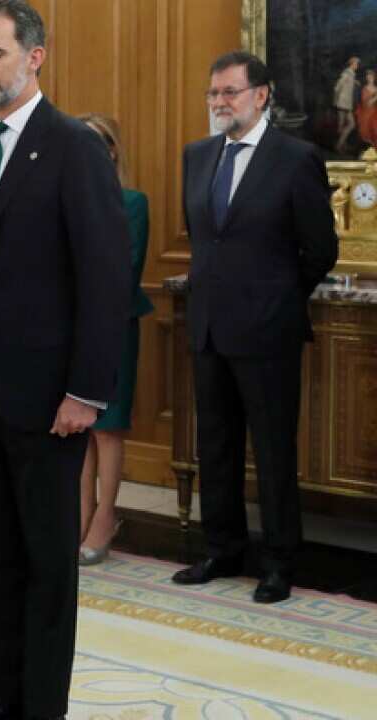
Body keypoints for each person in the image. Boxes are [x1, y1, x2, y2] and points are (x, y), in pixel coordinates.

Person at [0, 1, 131, 717]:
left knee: (48, 568)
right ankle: (1, 699)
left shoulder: (73, 147)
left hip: (52, 403)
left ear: (34, 57)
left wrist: (86, 389)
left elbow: (106, 279)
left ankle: (40, 707)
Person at [173, 50, 338, 604]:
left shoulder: (295, 158)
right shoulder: (197, 156)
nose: (220, 103)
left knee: (271, 452)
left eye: (231, 93)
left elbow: (320, 248)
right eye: (213, 94)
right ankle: (222, 549)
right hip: (208, 328)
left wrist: (278, 298)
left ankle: (278, 562)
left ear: (261, 94)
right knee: (215, 446)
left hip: (268, 332)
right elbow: (204, 241)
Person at [74, 113, 154, 565]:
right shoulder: (63, 198)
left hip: (112, 328)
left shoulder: (132, 201)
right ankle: (80, 515)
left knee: (107, 427)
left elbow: (125, 271)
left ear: (112, 150)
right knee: (79, 429)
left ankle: (106, 516)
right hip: (69, 331)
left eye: (98, 142)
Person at [335, 56, 359, 153]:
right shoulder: (347, 73)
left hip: (345, 103)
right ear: (352, 64)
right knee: (351, 124)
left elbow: (348, 81)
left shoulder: (351, 73)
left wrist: (355, 81)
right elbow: (338, 86)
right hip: (343, 103)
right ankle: (339, 145)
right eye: (356, 64)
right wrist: (338, 100)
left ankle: (342, 145)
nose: (357, 65)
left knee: (342, 125)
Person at [358, 69, 377, 147]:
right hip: (366, 114)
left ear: (374, 77)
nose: (369, 78)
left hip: (374, 113)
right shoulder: (364, 89)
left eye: (371, 76)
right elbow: (367, 104)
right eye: (368, 76)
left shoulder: (376, 88)